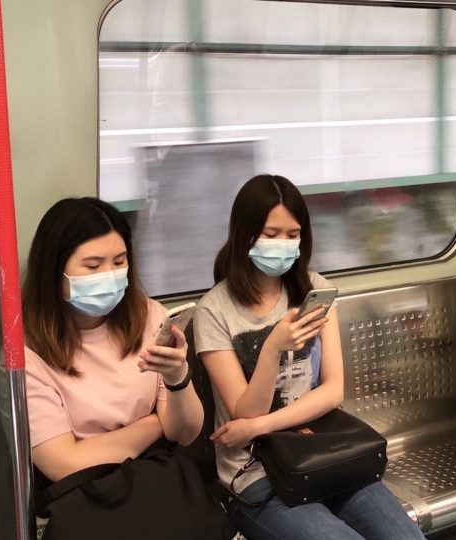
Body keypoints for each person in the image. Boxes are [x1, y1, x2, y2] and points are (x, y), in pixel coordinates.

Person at [194, 174, 425, 540]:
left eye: (292, 235)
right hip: (255, 472)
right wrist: (273, 348)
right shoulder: (214, 311)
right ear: (244, 234)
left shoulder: (314, 289)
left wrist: (258, 428)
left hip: (322, 451)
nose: (283, 245)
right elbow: (245, 413)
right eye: (271, 235)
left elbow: (333, 391)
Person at [21, 197, 224, 538]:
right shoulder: (27, 350)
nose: (110, 275)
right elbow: (64, 463)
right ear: (53, 271)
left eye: (119, 261)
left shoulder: (150, 318)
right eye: (92, 266)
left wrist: (177, 379)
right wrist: (155, 423)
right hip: (85, 501)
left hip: (158, 487)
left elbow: (185, 432)